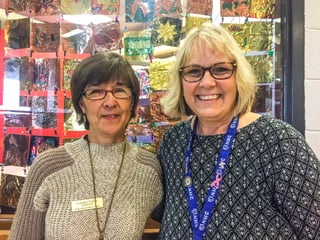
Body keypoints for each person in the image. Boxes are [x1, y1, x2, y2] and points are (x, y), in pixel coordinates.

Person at [156, 23, 320, 240]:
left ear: (238, 76)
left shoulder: (280, 143)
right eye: (194, 71)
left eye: (221, 69)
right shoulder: (173, 142)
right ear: (181, 80)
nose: (207, 82)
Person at [9, 52, 163, 240]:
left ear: (132, 102)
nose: (109, 102)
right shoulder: (48, 167)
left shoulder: (149, 169)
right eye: (96, 92)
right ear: (81, 104)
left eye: (120, 90)